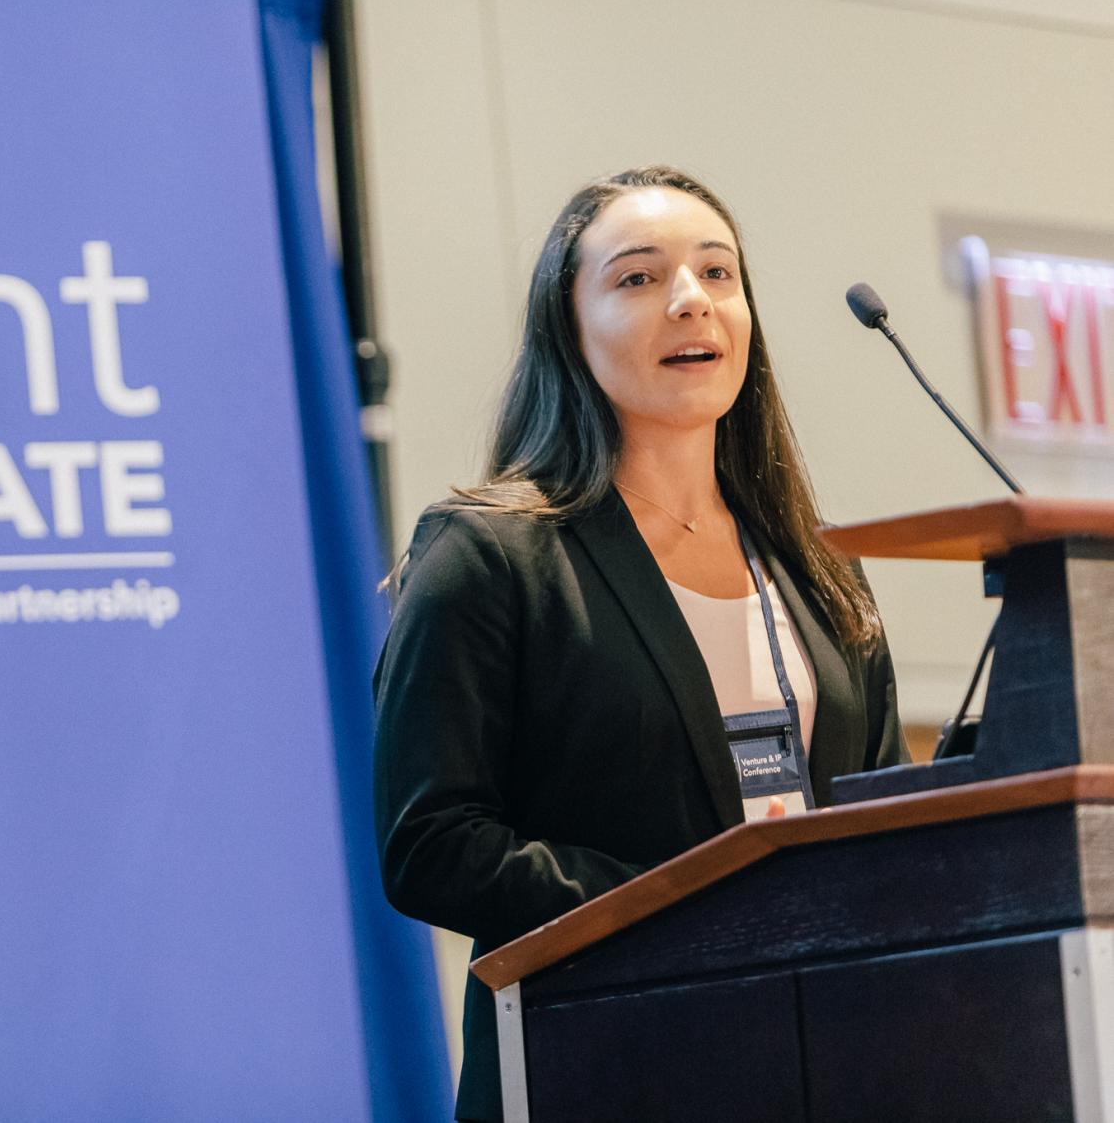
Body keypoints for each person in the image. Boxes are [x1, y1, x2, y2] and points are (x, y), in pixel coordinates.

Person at [372, 165, 907, 1122]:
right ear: (567, 330)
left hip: (826, 1058)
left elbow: (869, 812)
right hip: (598, 1062)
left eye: (718, 272)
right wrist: (696, 907)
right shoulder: (491, 554)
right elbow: (432, 841)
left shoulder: (823, 569)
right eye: (637, 278)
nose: (692, 299)